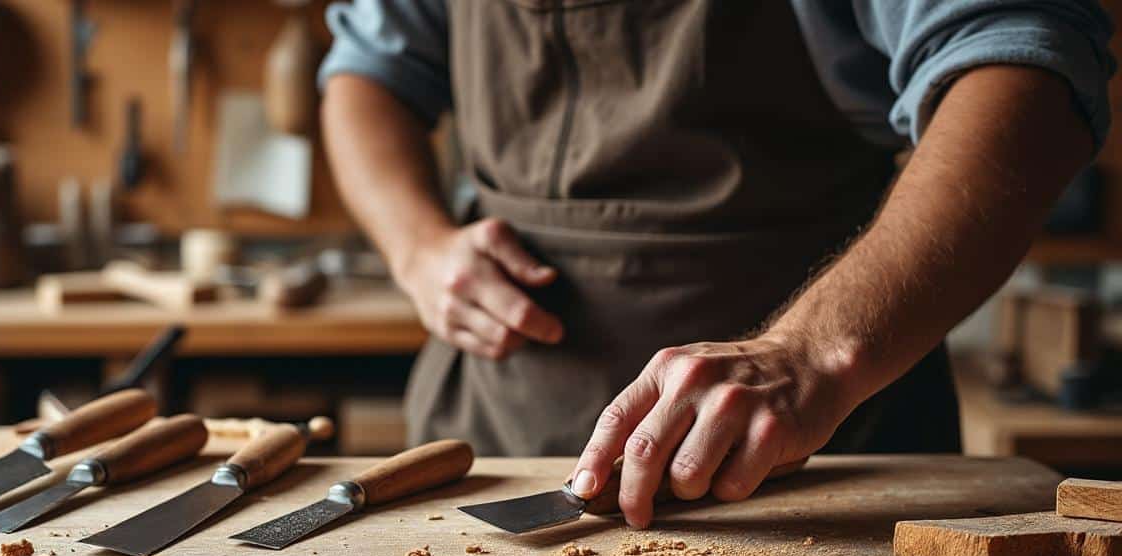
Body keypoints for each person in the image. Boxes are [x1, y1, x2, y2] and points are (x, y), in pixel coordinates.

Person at [318, 0, 1114, 527]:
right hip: (492, 421)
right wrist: (418, 246)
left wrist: (810, 354)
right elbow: (368, 73)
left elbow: (1023, 69)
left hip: (820, 464)